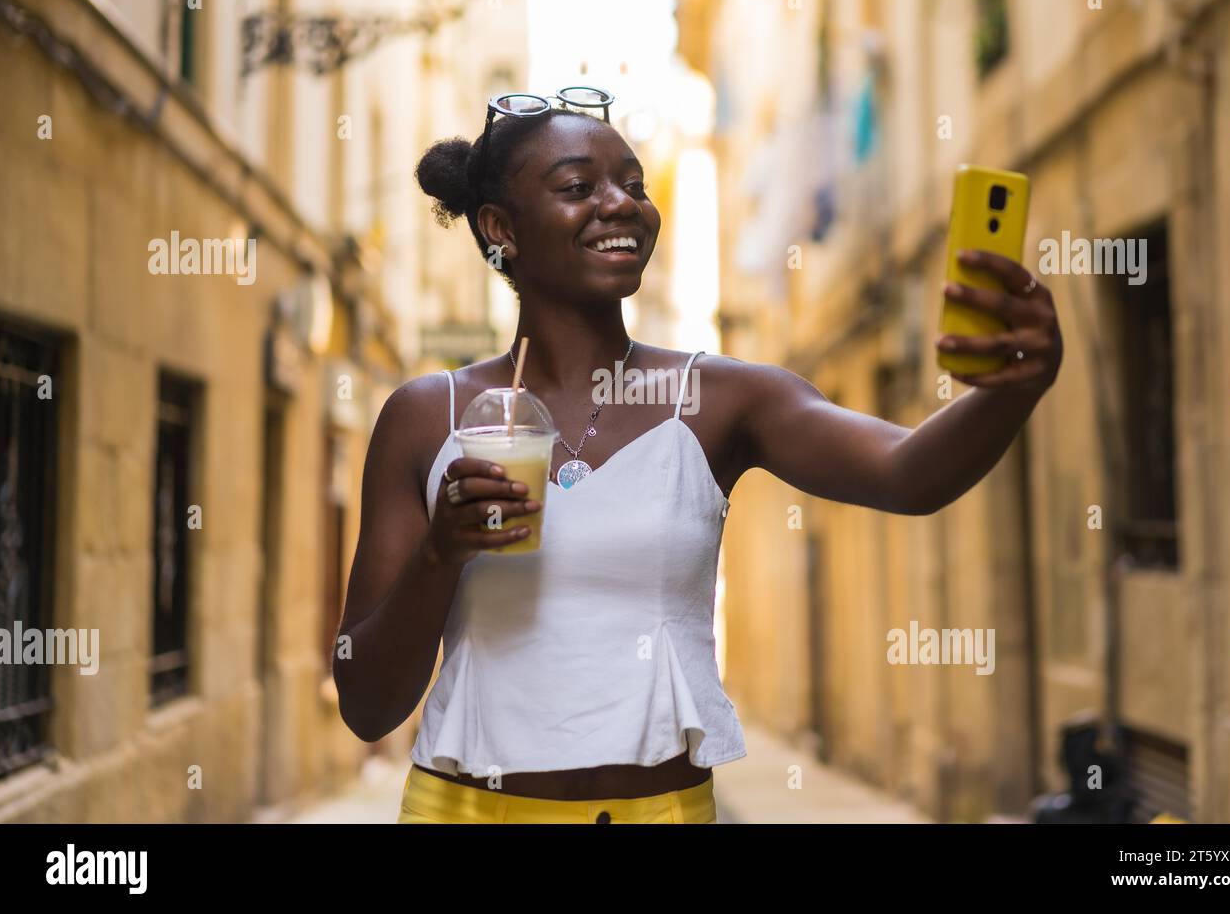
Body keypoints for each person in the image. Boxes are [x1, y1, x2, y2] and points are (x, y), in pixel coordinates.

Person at [333, 87, 1064, 824]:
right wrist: (441, 554)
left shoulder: (719, 398)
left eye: (634, 183)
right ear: (500, 228)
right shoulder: (429, 416)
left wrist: (1011, 390)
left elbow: (909, 473)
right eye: (579, 187)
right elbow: (367, 704)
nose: (622, 204)